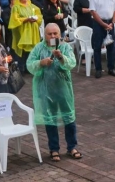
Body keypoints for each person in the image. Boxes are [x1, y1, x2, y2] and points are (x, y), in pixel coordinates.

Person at [26, 23, 81, 162]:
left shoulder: (65, 47)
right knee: (50, 119)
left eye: (55, 33)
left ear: (59, 34)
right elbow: (29, 65)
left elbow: (72, 63)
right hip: (46, 90)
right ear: (45, 35)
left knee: (69, 118)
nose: (52, 36)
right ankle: (54, 149)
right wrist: (41, 63)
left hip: (63, 90)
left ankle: (72, 147)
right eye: (49, 34)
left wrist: (61, 57)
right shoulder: (39, 48)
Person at [87, 0, 115, 78]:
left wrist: (112, 23)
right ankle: (98, 69)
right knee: (97, 46)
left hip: (110, 22)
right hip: (98, 23)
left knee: (112, 46)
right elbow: (93, 11)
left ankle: (111, 68)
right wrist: (102, 24)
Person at [8, 0, 43, 67]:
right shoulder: (16, 7)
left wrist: (36, 18)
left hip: (32, 31)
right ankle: (22, 67)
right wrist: (26, 19)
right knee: (23, 50)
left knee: (32, 50)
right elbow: (14, 19)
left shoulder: (31, 5)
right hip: (22, 32)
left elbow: (39, 14)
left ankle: (30, 66)